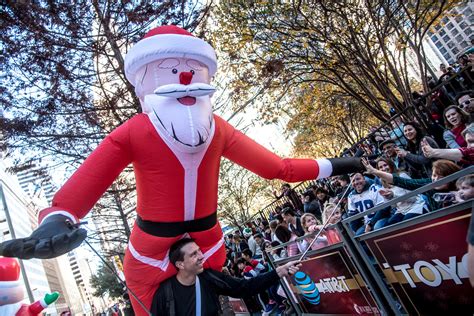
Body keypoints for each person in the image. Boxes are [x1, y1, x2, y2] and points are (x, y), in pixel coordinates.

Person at [1, 25, 364, 315]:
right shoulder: (136, 131)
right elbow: (89, 180)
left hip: (207, 240)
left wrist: (337, 165)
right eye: (173, 71)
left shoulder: (218, 128)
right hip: (151, 248)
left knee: (216, 301)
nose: (187, 79)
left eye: (193, 70)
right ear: (146, 80)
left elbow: (279, 167)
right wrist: (57, 218)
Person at [151, 238, 301, 315]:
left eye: (199, 251)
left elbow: (244, 287)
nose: (201, 256)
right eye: (194, 254)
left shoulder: (208, 277)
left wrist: (279, 272)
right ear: (180, 264)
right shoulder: (164, 294)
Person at [363, 159, 462, 211]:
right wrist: (375, 171)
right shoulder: (429, 183)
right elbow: (404, 182)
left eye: (440, 177)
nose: (435, 179)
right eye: (434, 175)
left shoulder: (462, 187)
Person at [363, 158, 427, 225]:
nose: (384, 168)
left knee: (406, 223)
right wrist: (387, 197)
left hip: (416, 206)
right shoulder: (384, 182)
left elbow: (413, 198)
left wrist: (393, 195)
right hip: (402, 211)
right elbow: (393, 205)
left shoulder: (401, 175)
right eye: (380, 167)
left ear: (391, 165)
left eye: (385, 165)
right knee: (391, 224)